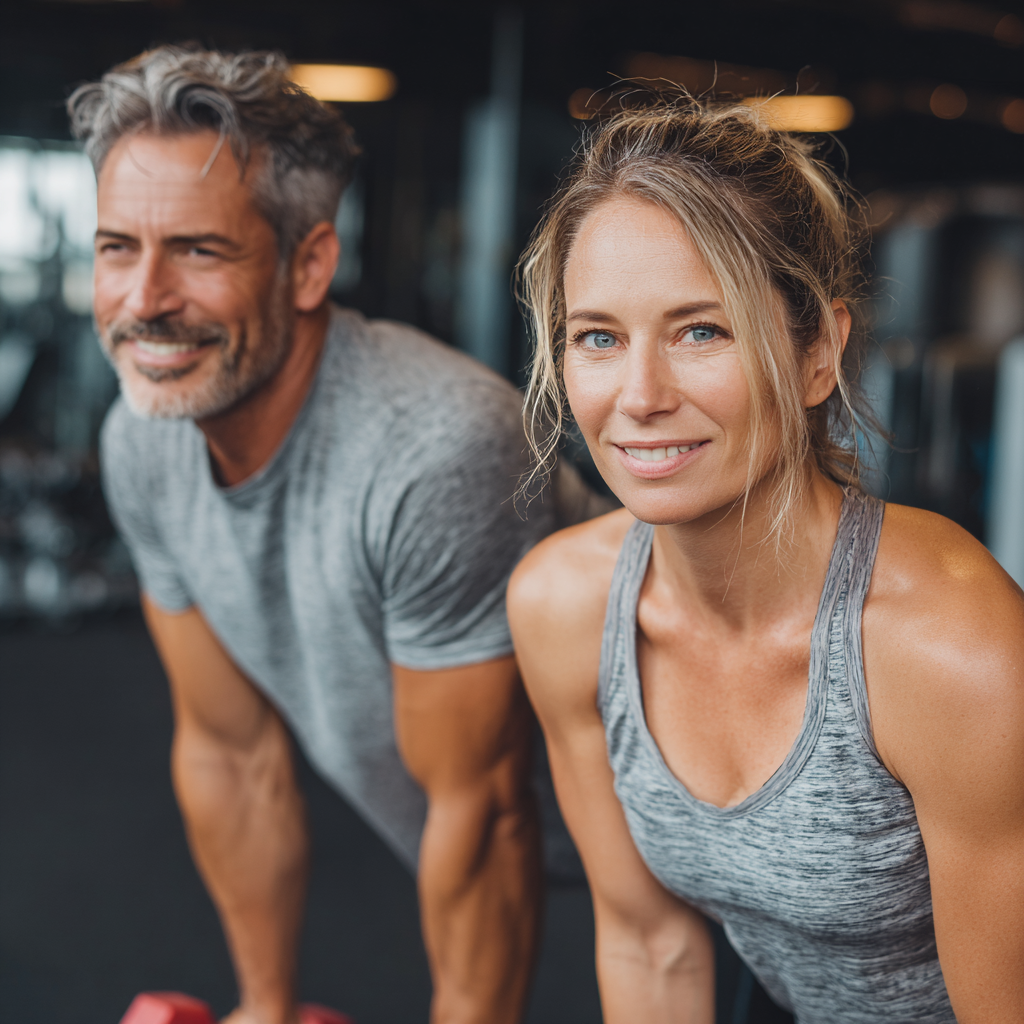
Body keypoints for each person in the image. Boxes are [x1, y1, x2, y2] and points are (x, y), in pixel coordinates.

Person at [70, 45, 593, 1024]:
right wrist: (264, 1009)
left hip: (734, 857)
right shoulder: (144, 438)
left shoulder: (434, 448)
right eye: (114, 248)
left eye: (198, 249)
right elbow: (232, 754)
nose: (142, 299)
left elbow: (483, 820)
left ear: (310, 262)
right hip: (551, 853)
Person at [508, 93, 1024, 1024]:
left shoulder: (949, 645)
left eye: (702, 330)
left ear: (819, 351)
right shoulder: (564, 607)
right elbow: (649, 943)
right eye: (599, 338)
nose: (641, 395)